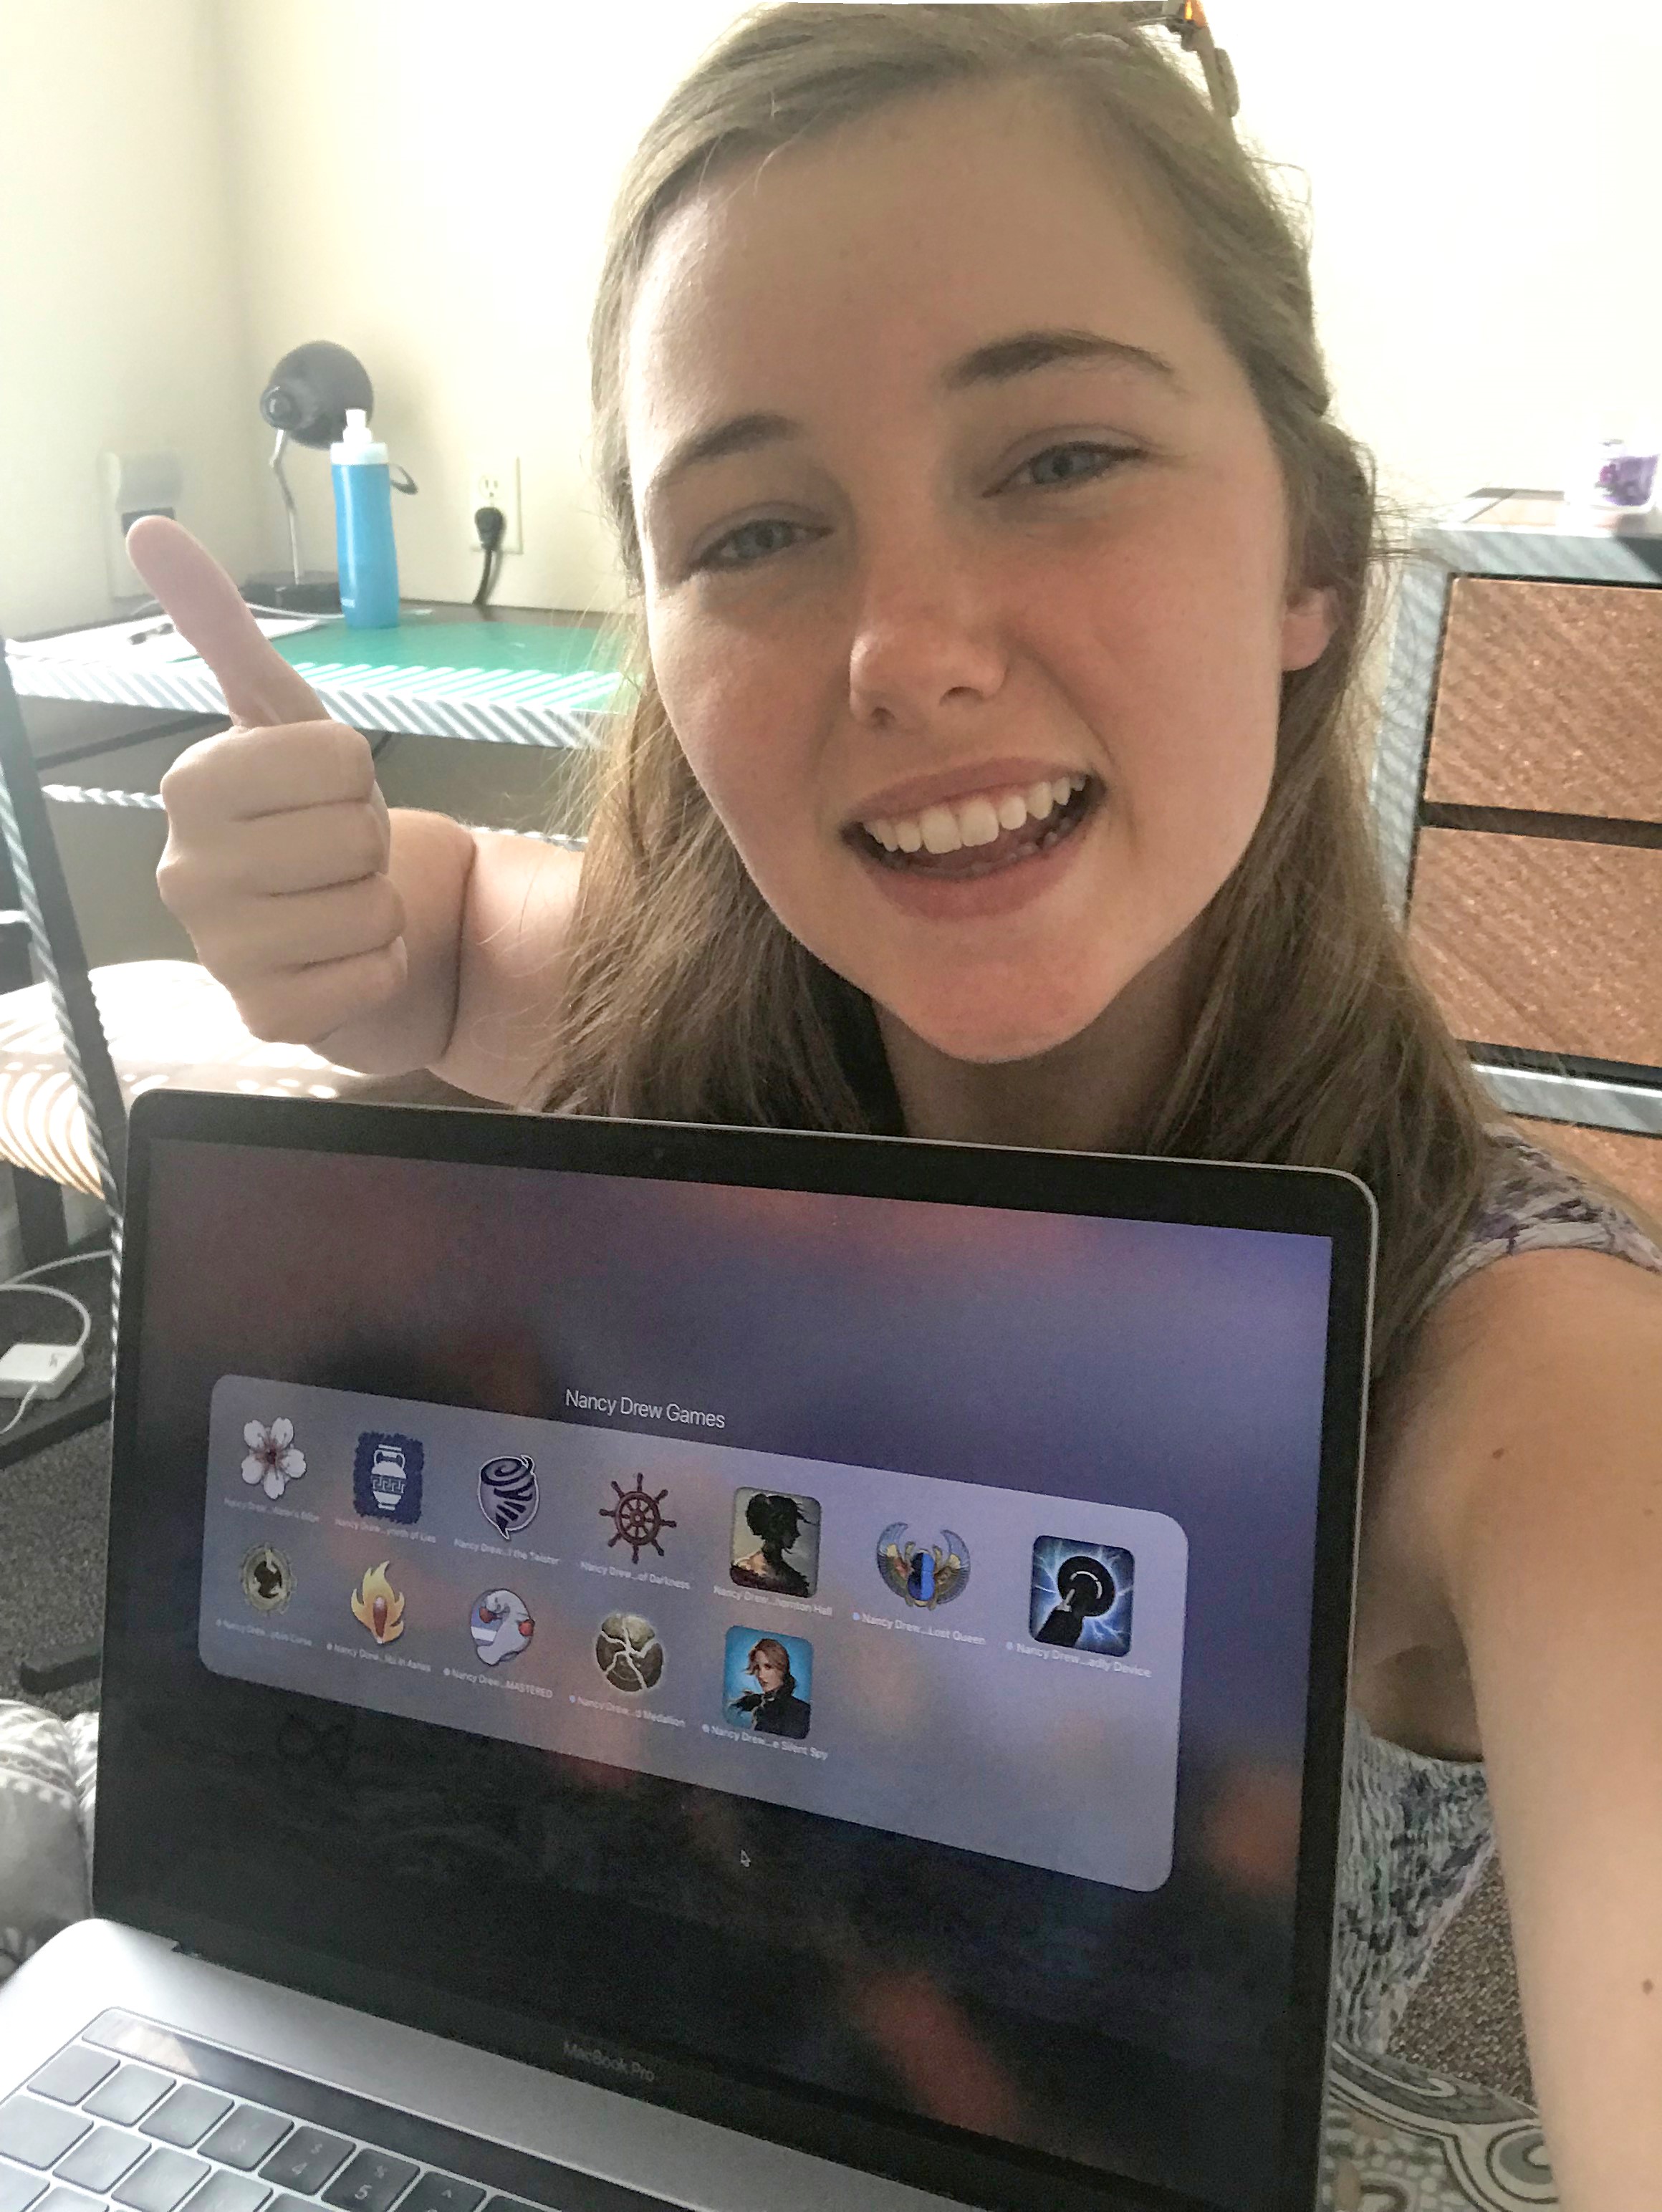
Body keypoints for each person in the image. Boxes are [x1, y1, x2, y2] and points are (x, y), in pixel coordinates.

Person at [128, 8, 1662, 2201]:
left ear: (1309, 559)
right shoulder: (682, 1020)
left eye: (1056, 459)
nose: (905, 647)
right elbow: (455, 929)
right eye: (756, 527)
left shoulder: (1533, 1385)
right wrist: (362, 930)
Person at [728, 1635, 812, 1739]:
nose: (761, 1675)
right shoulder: (749, 1704)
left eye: (768, 1667)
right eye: (757, 1668)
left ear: (782, 1669)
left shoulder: (801, 1711)